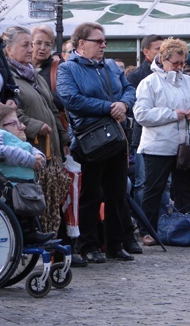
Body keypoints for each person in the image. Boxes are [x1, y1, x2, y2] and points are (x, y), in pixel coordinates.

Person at [57, 22, 137, 263]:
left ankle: (115, 244)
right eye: (98, 41)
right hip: (89, 140)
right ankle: (87, 245)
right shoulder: (67, 69)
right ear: (81, 44)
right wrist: (109, 108)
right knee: (90, 194)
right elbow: (70, 99)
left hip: (117, 137)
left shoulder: (111, 66)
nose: (103, 45)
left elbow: (129, 89)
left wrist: (123, 105)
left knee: (117, 194)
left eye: (104, 41)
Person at [133, 37, 190, 236]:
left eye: (183, 63)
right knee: (153, 190)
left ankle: (184, 229)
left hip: (186, 146)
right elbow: (141, 114)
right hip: (158, 145)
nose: (180, 67)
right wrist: (172, 114)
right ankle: (147, 231)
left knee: (184, 190)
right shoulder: (149, 82)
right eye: (176, 63)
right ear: (163, 59)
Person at [0, 102, 55, 245]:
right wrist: (30, 159)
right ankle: (28, 235)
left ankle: (30, 233)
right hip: (2, 184)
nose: (22, 126)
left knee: (27, 211)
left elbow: (31, 150)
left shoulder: (21, 143)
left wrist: (39, 157)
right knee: (20, 211)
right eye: (14, 123)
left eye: (20, 122)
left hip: (21, 185)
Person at [3, 26, 69, 159]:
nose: (31, 50)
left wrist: (64, 140)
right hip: (29, 152)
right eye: (25, 45)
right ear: (9, 50)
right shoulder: (6, 79)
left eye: (31, 45)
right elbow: (7, 114)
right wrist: (35, 126)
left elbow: (52, 110)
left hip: (51, 149)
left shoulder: (35, 77)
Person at [126, 34, 165, 246]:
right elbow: (134, 109)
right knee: (142, 184)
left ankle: (164, 226)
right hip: (142, 138)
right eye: (158, 48)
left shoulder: (171, 74)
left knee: (164, 186)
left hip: (166, 139)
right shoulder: (137, 76)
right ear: (146, 52)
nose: (161, 53)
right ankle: (145, 228)